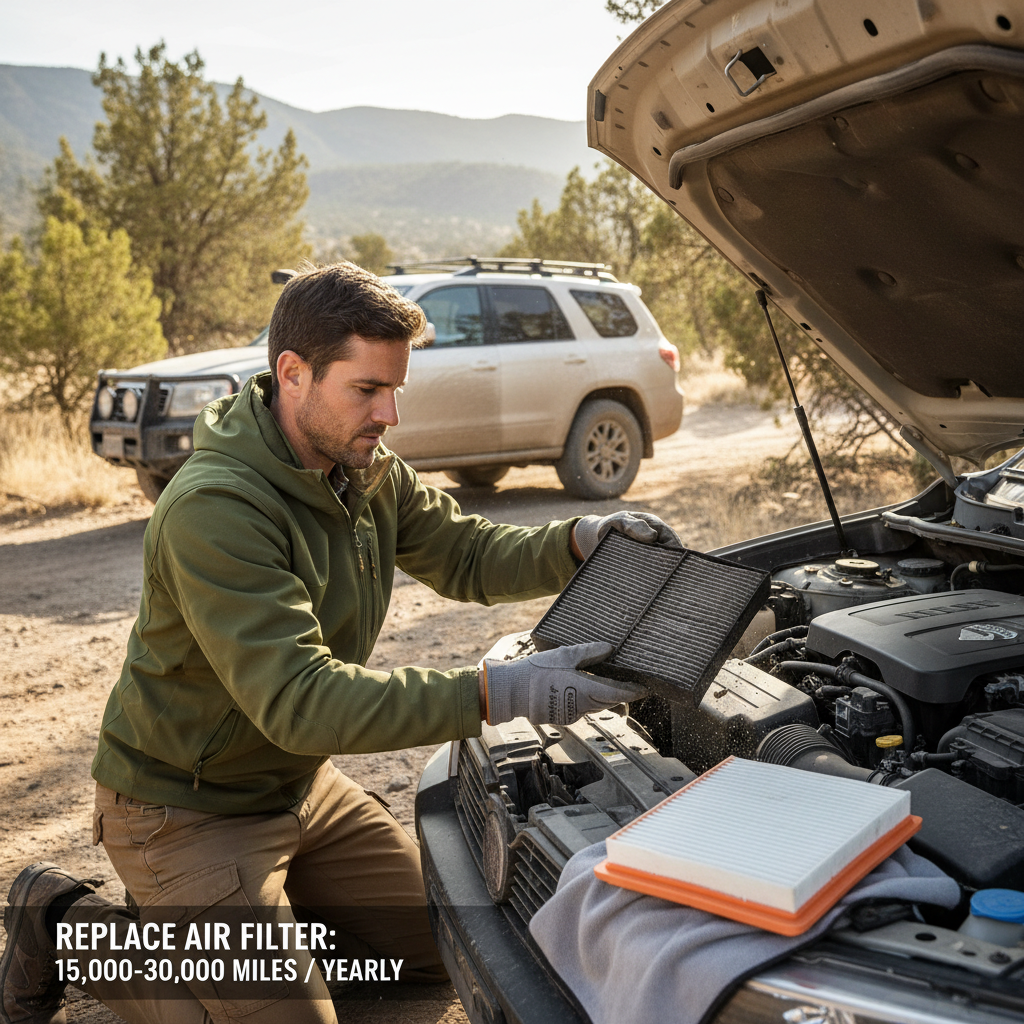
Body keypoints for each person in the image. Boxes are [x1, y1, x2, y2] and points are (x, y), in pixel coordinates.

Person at [0, 262, 678, 1024]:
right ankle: (66, 928)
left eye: (395, 390)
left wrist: (583, 540)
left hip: (297, 789)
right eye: (367, 389)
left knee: (445, 940)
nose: (389, 414)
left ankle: (250, 941)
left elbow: (467, 553)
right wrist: (505, 691)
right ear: (293, 374)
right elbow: (303, 702)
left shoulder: (362, 469)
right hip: (183, 810)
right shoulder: (215, 508)